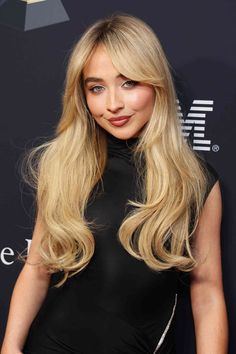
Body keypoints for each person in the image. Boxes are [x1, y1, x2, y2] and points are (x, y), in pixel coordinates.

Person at [1, 12, 228, 354]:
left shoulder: (195, 181)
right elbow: (36, 271)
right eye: (96, 88)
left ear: (156, 84)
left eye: (129, 83)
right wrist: (10, 348)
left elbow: (207, 292)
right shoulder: (65, 166)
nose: (113, 104)